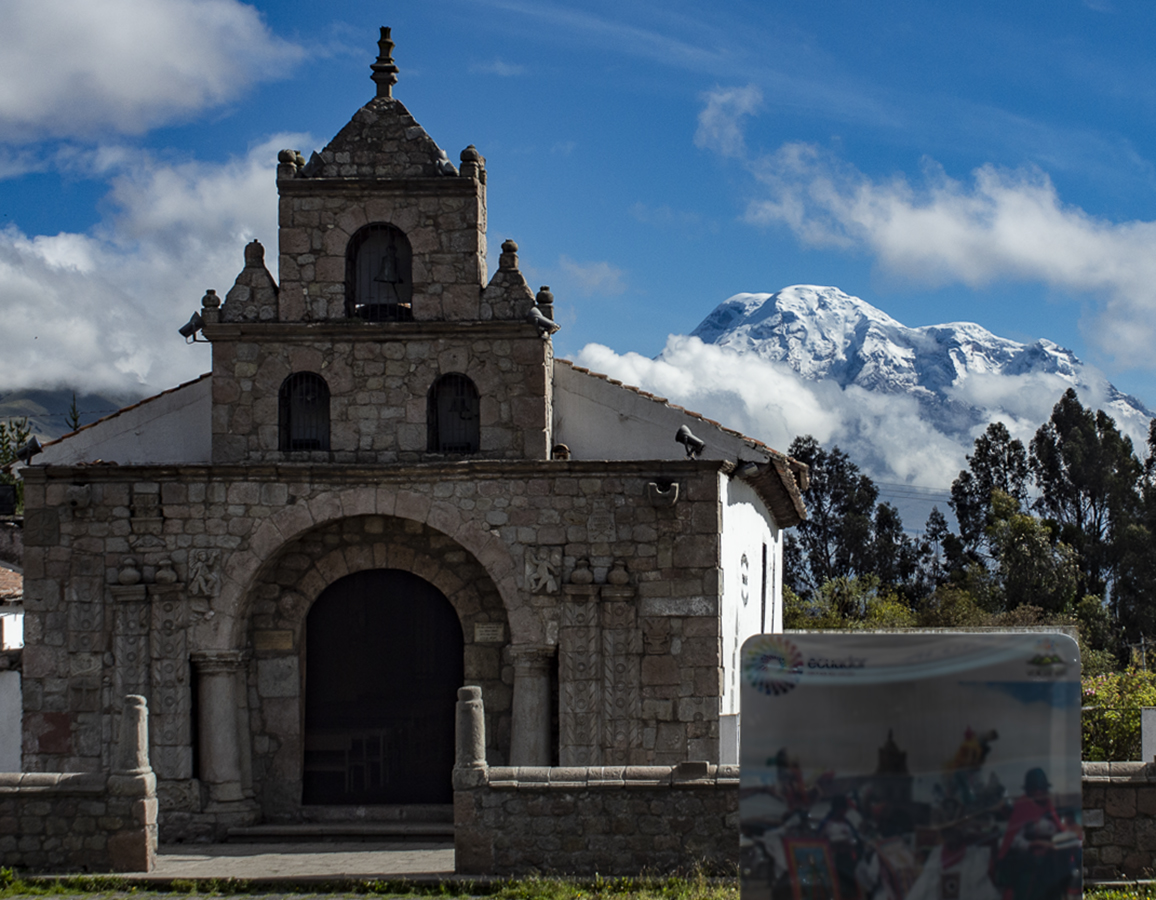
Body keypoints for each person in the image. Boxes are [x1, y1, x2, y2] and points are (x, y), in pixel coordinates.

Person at [994, 768, 1078, 900]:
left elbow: (1058, 829)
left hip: (1050, 864)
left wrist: (1057, 842)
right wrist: (1033, 844)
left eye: (1043, 789)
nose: (1041, 792)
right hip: (1028, 864)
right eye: (1037, 789)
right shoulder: (1023, 807)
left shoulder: (1048, 806)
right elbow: (1014, 839)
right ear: (1030, 790)